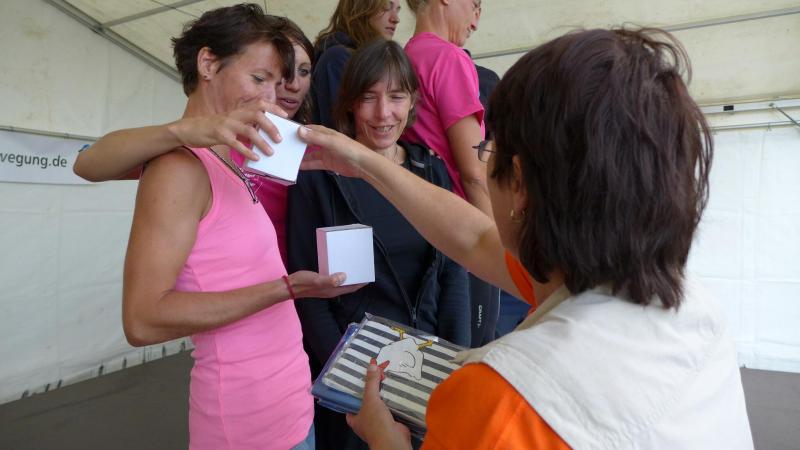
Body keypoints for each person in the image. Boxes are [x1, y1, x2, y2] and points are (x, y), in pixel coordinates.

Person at [298, 27, 754, 449]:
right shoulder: (695, 311)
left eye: (489, 147)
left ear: (517, 181)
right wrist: (367, 163)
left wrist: (387, 442)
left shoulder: (498, 398)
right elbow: (474, 239)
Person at [77, 5, 362, 449]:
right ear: (208, 64)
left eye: (277, 83)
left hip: (288, 404)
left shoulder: (229, 162)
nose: (271, 97)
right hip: (248, 425)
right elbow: (143, 320)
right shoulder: (179, 167)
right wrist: (286, 288)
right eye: (260, 78)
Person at [287, 39, 470, 450]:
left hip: (427, 372)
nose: (383, 113)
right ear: (350, 103)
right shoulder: (319, 176)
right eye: (369, 98)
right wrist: (351, 384)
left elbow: (454, 274)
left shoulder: (430, 170)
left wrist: (456, 364)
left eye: (396, 96)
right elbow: (309, 296)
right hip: (353, 384)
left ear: (413, 101)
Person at [73, 15, 314, 268]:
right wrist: (180, 132)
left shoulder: (301, 143)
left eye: (304, 71)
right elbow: (86, 163)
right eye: (261, 77)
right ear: (208, 64)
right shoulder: (192, 150)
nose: (292, 85)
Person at [403, 0, 499, 347]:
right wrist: (499, 250)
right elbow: (473, 171)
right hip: (463, 238)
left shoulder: (404, 57)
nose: (475, 22)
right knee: (473, 351)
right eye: (475, 5)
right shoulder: (449, 58)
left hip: (419, 232)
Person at [311, 0, 402, 128]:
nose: (396, 19)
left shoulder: (376, 58)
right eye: (386, 7)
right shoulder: (337, 58)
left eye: (397, 10)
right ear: (361, 7)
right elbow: (339, 130)